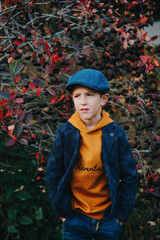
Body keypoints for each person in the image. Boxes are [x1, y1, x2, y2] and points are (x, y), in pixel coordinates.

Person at [45, 69, 138, 240]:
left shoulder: (115, 134)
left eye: (90, 95)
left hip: (108, 218)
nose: (83, 102)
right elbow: (53, 173)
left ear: (104, 99)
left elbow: (129, 177)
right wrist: (63, 213)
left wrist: (120, 217)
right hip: (75, 217)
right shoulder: (66, 132)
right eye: (77, 96)